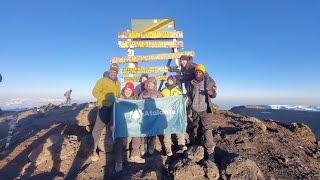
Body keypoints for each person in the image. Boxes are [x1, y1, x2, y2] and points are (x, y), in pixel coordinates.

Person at [186, 64, 217, 162]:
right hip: (195, 110)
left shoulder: (208, 82)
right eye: (197, 72)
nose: (198, 74)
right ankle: (199, 148)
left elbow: (214, 94)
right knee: (197, 129)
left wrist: (212, 93)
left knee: (207, 130)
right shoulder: (192, 83)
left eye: (200, 72)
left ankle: (210, 152)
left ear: (203, 73)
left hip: (205, 110)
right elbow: (189, 94)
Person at [111, 82, 145, 172]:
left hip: (132, 124)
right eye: (127, 90)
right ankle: (118, 162)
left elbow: (139, 111)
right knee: (118, 139)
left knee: (137, 133)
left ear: (132, 91)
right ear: (124, 90)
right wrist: (112, 124)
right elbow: (112, 110)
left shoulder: (135, 100)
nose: (128, 92)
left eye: (130, 90)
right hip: (120, 124)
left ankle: (135, 155)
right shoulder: (118, 98)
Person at [90, 63, 121, 162]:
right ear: (109, 70)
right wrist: (108, 97)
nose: (113, 72)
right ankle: (93, 151)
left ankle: (111, 150)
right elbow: (95, 92)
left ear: (117, 72)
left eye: (115, 71)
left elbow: (117, 95)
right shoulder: (102, 80)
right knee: (97, 129)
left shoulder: (118, 83)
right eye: (112, 70)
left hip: (114, 108)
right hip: (103, 107)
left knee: (112, 129)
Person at [161, 76, 187, 156]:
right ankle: (168, 148)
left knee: (179, 128)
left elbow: (183, 100)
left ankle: (181, 144)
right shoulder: (163, 90)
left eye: (171, 80)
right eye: (169, 80)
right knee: (167, 131)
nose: (170, 81)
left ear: (174, 81)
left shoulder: (178, 90)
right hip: (167, 114)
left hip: (176, 113)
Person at [138, 77, 163, 155]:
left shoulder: (158, 93)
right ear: (146, 84)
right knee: (144, 133)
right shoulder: (142, 93)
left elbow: (162, 104)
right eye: (149, 83)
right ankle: (143, 148)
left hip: (154, 116)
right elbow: (138, 104)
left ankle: (151, 148)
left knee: (152, 134)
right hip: (145, 116)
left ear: (154, 84)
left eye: (152, 83)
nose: (150, 85)